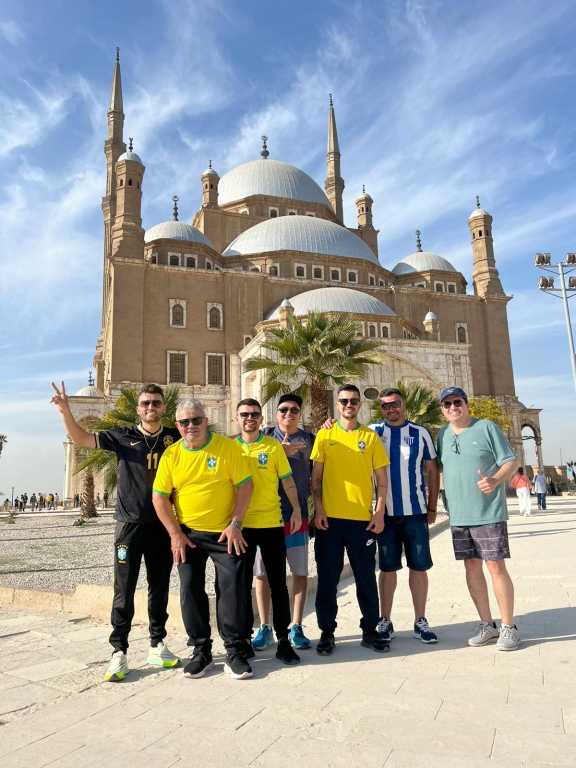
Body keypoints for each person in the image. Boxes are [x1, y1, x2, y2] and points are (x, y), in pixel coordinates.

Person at [51, 380, 182, 681]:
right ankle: (118, 651)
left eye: (156, 403)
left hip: (163, 526)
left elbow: (211, 446)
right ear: (138, 409)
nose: (151, 407)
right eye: (146, 403)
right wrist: (65, 411)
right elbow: (82, 438)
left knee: (159, 588)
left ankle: (157, 644)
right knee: (124, 589)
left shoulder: (174, 438)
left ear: (163, 408)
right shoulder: (122, 436)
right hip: (129, 526)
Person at [153, 400, 255, 681]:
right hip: (188, 534)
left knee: (232, 587)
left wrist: (236, 524)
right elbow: (159, 497)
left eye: (196, 420)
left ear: (205, 420)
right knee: (189, 589)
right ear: (177, 426)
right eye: (184, 422)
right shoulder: (172, 455)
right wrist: (175, 534)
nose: (191, 426)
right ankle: (200, 650)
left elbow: (245, 484)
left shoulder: (226, 447)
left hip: (225, 533)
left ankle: (234, 651)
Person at [437, 387, 520, 651]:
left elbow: (511, 460)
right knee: (471, 569)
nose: (452, 407)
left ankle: (509, 627)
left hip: (487, 512)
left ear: (467, 404)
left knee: (495, 567)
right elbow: (440, 469)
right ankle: (488, 625)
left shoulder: (486, 427)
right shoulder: (442, 434)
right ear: (442, 409)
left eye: (457, 402)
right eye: (447, 404)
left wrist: (495, 480)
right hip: (459, 515)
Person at [311, 384, 390, 656]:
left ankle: (370, 630)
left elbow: (381, 481)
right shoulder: (325, 435)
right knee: (327, 579)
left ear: (360, 405)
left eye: (354, 401)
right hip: (329, 521)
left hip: (361, 521)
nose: (349, 404)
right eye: (344, 400)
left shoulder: (370, 438)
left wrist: (379, 512)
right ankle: (326, 632)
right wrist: (318, 509)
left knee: (366, 578)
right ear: (336, 404)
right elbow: (316, 477)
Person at [368, 388, 441, 644]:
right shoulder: (373, 431)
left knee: (418, 567)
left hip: (415, 513)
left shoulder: (420, 433)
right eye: (386, 406)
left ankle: (420, 620)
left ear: (403, 405)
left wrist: (432, 508)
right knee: (387, 568)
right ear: (381, 409)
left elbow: (432, 471)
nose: (391, 409)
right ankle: (385, 620)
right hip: (384, 515)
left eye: (395, 404)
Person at [234, 398, 301, 665]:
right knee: (240, 586)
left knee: (278, 584)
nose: (250, 418)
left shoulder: (273, 446)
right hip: (242, 527)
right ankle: (244, 639)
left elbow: (288, 482)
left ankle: (283, 640)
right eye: (245, 414)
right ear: (236, 419)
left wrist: (296, 509)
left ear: (262, 419)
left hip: (272, 523)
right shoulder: (229, 448)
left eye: (254, 414)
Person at [253, 393, 315, 651]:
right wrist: (280, 450)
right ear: (275, 413)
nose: (288, 414)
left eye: (293, 410)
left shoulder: (309, 440)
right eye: (283, 409)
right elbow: (240, 452)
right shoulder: (264, 437)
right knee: (262, 574)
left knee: (299, 571)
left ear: (300, 414)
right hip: (266, 516)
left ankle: (297, 626)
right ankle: (265, 627)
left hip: (296, 514)